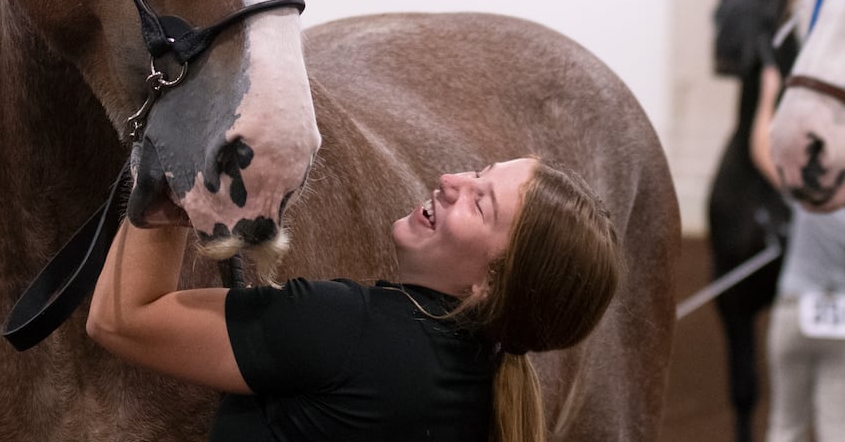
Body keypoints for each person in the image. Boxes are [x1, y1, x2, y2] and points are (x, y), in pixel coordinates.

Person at [87, 156, 623, 442]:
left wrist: (173, 161)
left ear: (489, 285)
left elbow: (122, 318)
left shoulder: (345, 329)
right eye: (478, 172)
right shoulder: (484, 384)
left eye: (479, 202)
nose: (450, 179)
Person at [750, 64, 845, 442]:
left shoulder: (811, 194)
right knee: (838, 429)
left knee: (785, 424)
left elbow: (761, 149)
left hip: (794, 311)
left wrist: (768, 94)